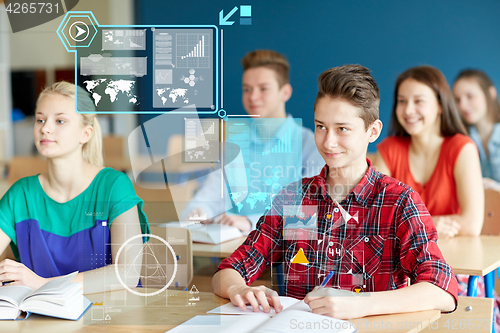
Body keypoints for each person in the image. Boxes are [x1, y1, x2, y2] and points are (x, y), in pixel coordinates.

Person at [212, 65, 457, 319]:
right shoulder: (293, 198)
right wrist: (237, 288)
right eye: (321, 126)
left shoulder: (400, 202)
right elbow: (227, 271)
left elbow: (442, 291)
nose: (328, 142)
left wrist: (361, 304)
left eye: (342, 129)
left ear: (372, 131)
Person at [0, 82, 149, 293]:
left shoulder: (114, 186)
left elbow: (127, 274)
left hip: (109, 320)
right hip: (40, 323)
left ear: (85, 134)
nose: (45, 128)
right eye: (40, 119)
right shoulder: (20, 194)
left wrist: (43, 284)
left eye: (60, 120)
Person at [181, 50, 324, 232]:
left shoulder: (310, 145)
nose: (253, 97)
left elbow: (308, 214)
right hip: (234, 250)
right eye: (247, 89)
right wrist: (199, 212)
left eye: (263, 88)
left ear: (285, 92)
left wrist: (250, 222)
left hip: (286, 254)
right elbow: (212, 194)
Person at [374, 66, 484, 239]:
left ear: (440, 105)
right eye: (402, 101)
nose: (408, 110)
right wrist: (428, 224)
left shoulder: (462, 148)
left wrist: (405, 226)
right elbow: (375, 219)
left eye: (418, 101)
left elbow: (472, 224)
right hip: (401, 262)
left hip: (455, 260)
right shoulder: (389, 149)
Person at [453, 69, 500, 188]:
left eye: (470, 96)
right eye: (457, 100)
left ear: (491, 93)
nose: (462, 106)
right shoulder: (460, 140)